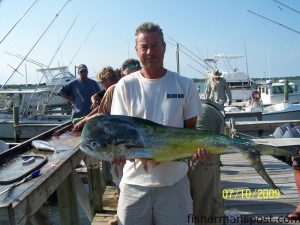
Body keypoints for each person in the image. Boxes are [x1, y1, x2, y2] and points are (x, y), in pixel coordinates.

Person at [110, 22, 203, 225]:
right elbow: (120, 134)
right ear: (137, 50)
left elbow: (191, 134)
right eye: (144, 47)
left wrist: (197, 150)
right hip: (133, 184)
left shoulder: (185, 84)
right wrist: (116, 152)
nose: (150, 52)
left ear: (164, 47)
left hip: (174, 183)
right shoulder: (125, 85)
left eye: (155, 46)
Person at [188, 101, 225, 225]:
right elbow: (218, 150)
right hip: (204, 158)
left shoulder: (195, 108)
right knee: (208, 205)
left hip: (187, 155)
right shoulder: (217, 115)